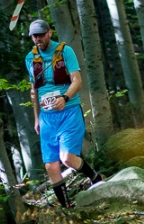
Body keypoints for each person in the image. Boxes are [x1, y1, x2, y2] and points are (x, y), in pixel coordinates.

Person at [25, 19, 102, 208]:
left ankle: (95, 178)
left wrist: (65, 98)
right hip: (46, 118)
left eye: (41, 35)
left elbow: (77, 81)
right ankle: (68, 209)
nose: (37, 39)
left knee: (67, 158)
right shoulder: (30, 58)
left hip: (69, 112)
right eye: (34, 36)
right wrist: (36, 118)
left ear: (49, 33)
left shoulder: (65, 51)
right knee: (51, 166)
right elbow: (34, 90)